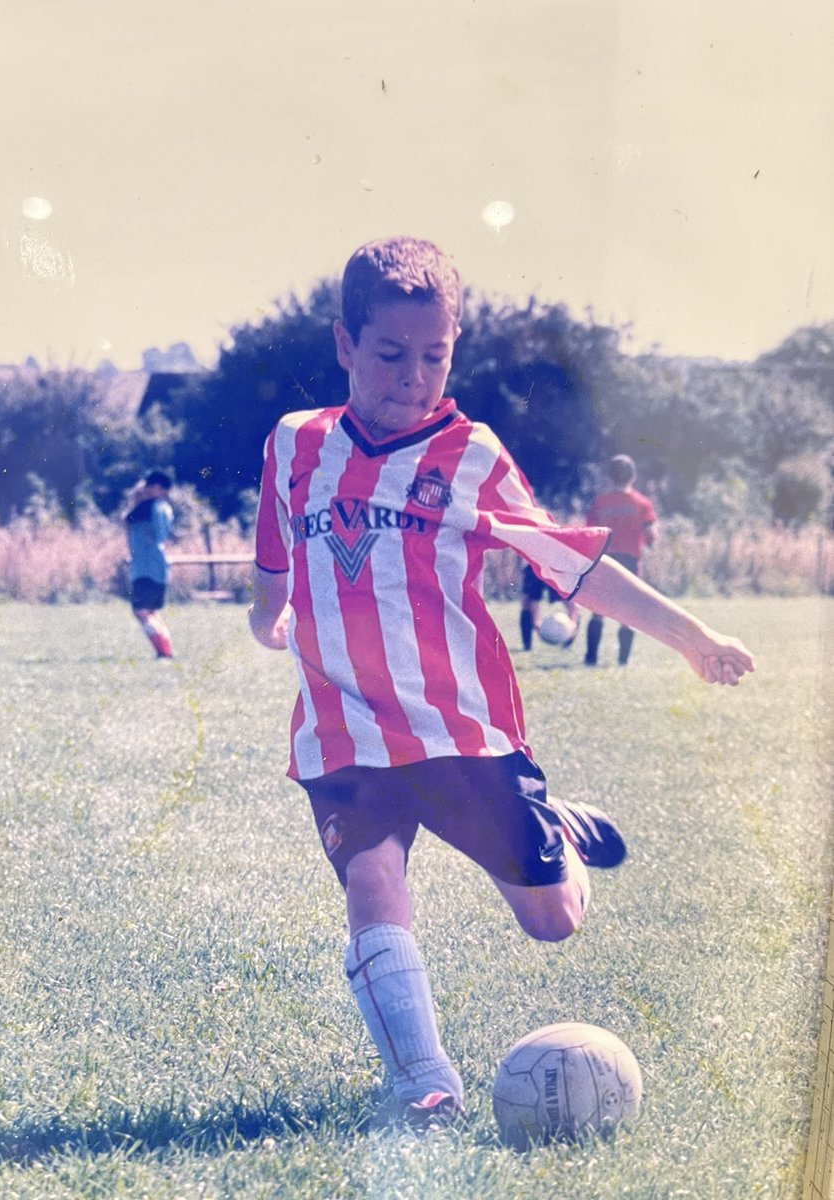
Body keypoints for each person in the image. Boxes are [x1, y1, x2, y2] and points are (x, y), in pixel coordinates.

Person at [248, 237, 753, 1131]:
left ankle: (556, 826)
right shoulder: (296, 444)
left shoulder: (470, 456)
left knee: (552, 920)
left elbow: (574, 565)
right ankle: (424, 1083)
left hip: (462, 731)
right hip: (344, 728)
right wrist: (268, 621)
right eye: (390, 354)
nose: (414, 377)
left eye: (435, 356)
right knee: (371, 878)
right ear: (344, 344)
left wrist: (693, 637)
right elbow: (273, 562)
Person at [583, 455, 656, 667]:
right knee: (629, 610)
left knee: (598, 608)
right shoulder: (642, 503)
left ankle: (591, 657)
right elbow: (651, 533)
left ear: (610, 476)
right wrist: (649, 543)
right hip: (629, 559)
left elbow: (589, 532)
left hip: (604, 559)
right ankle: (623, 660)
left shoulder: (600, 502)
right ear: (633, 476)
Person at [125, 469, 175, 659]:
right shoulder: (142, 507)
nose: (145, 489)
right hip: (142, 567)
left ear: (160, 488)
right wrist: (137, 499)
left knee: (141, 610)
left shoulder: (159, 508)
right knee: (149, 611)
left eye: (150, 486)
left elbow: (161, 535)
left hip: (151, 568)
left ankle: (164, 651)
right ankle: (165, 649)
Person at [519, 562, 579, 649]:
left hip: (558, 564)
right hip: (535, 562)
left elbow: (571, 605)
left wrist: (572, 624)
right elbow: (533, 600)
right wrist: (537, 625)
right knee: (527, 601)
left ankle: (568, 641)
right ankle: (527, 645)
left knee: (569, 598)